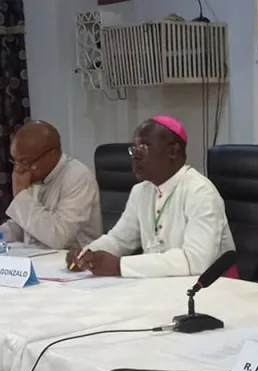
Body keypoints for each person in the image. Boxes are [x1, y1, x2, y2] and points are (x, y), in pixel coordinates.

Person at [66, 116, 237, 278]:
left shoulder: (200, 192)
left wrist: (120, 266)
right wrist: (87, 254)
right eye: (134, 148)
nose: (136, 156)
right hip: (161, 283)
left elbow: (196, 261)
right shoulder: (141, 191)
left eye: (145, 147)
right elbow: (119, 240)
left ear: (173, 150)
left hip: (210, 288)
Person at [0, 121, 102, 249]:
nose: (18, 169)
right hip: (37, 259)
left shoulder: (78, 176)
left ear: (52, 155)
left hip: (72, 263)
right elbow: (24, 227)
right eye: (15, 161)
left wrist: (21, 196)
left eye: (25, 162)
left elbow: (59, 238)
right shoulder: (34, 175)